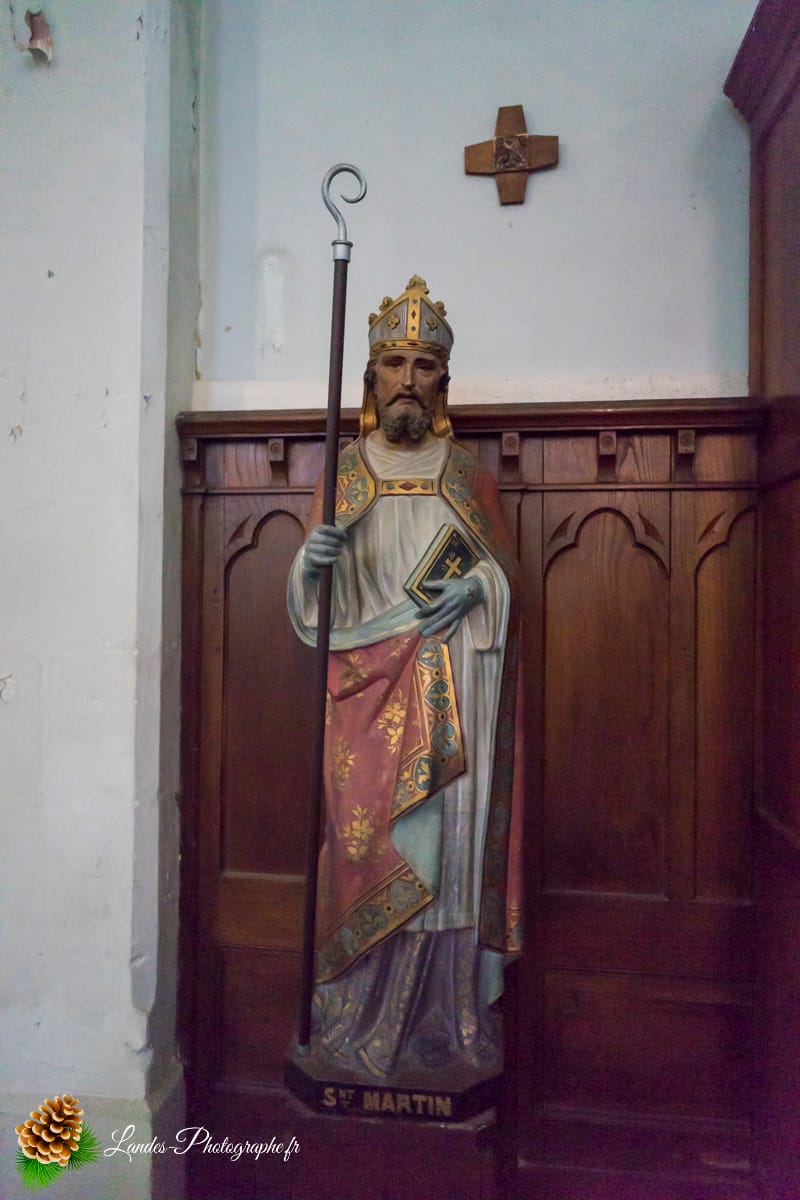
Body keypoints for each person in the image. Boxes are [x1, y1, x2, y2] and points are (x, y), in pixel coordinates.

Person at [287, 275, 522, 1084]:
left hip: (458, 695)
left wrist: (481, 587)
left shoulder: (468, 475)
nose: (409, 380)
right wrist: (312, 566)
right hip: (364, 697)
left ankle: (443, 1027)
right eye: (394, 363)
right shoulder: (343, 473)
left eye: (424, 365)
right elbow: (312, 610)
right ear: (371, 378)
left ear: (442, 381)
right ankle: (353, 1021)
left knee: (448, 861)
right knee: (363, 847)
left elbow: (506, 580)